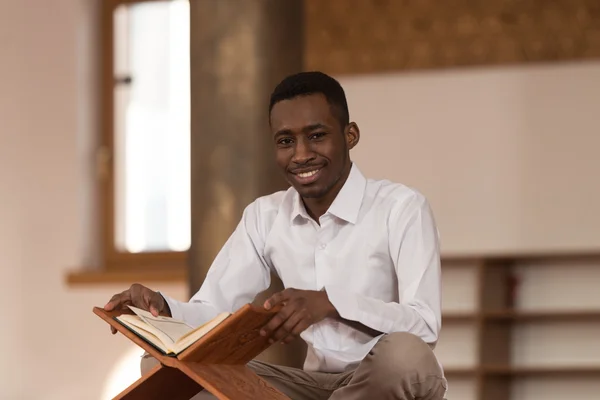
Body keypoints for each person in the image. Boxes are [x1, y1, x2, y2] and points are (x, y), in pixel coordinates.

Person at [104, 71, 447, 400]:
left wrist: (331, 304)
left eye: (316, 136)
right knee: (165, 368)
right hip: (309, 385)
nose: (301, 154)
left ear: (350, 135)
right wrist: (161, 307)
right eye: (286, 141)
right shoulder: (264, 216)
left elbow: (424, 325)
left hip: (383, 378)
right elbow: (212, 309)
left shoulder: (402, 207)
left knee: (405, 355)